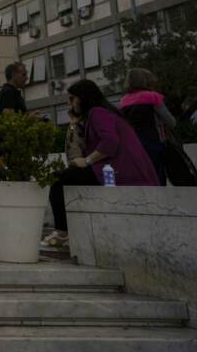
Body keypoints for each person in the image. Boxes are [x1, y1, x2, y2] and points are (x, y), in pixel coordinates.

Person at [43, 79, 159, 247]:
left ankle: (62, 232)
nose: (70, 103)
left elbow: (110, 142)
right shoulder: (102, 113)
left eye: (72, 98)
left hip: (118, 171)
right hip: (119, 170)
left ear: (83, 98)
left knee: (57, 179)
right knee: (69, 178)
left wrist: (87, 161)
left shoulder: (97, 112)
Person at [118, 68, 175, 186]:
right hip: (153, 143)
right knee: (158, 178)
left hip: (132, 146)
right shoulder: (153, 97)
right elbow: (171, 122)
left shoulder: (123, 101)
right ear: (146, 81)